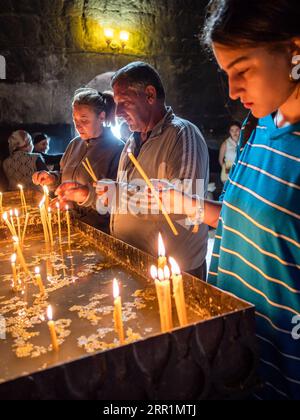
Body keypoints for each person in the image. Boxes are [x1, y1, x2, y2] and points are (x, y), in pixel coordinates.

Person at [154, 0, 300, 400]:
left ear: (295, 51)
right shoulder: (260, 126)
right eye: (226, 75)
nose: (234, 92)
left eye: (243, 71)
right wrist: (188, 205)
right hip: (242, 357)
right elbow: (248, 219)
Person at [97, 61, 209, 278]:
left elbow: (184, 203)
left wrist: (120, 195)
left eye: (124, 102)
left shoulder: (182, 134)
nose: (117, 112)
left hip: (175, 272)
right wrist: (95, 194)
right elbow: (119, 195)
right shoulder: (132, 141)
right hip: (134, 262)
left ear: (150, 94)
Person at [32, 89, 124, 232]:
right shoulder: (74, 144)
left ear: (101, 117)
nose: (78, 126)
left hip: (97, 231)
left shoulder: (117, 149)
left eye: (84, 120)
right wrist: (52, 178)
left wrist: (77, 200)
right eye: (75, 120)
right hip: (68, 225)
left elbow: (118, 199)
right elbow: (64, 176)